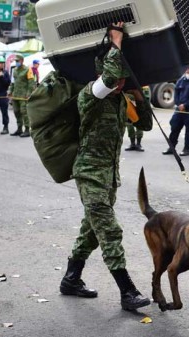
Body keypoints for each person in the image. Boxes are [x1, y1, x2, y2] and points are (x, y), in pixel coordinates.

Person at [60, 22, 153, 311]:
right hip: (89, 174)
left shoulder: (118, 102)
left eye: (125, 79)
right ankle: (127, 292)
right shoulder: (91, 94)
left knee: (91, 229)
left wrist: (138, 93)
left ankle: (71, 279)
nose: (121, 82)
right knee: (110, 230)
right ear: (101, 73)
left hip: (108, 177)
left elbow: (146, 124)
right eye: (119, 78)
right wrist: (116, 41)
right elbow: (111, 77)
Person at [162, 66, 189, 156]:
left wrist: (185, 105)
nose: (187, 69)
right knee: (174, 128)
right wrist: (178, 104)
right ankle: (171, 148)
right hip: (179, 110)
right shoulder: (180, 80)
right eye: (186, 67)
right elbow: (176, 95)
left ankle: (186, 149)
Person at [8, 54, 36, 137]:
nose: (16, 62)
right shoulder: (15, 70)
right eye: (15, 61)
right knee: (16, 111)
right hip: (15, 95)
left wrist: (28, 94)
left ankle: (27, 129)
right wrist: (10, 91)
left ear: (22, 61)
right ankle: (19, 128)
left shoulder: (28, 70)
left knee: (24, 112)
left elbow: (31, 83)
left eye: (17, 61)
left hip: (24, 96)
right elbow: (12, 82)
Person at [125, 86, 151, 152]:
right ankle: (132, 144)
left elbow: (146, 98)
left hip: (139, 108)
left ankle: (138, 144)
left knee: (139, 126)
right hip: (130, 108)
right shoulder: (127, 85)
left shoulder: (144, 86)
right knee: (129, 126)